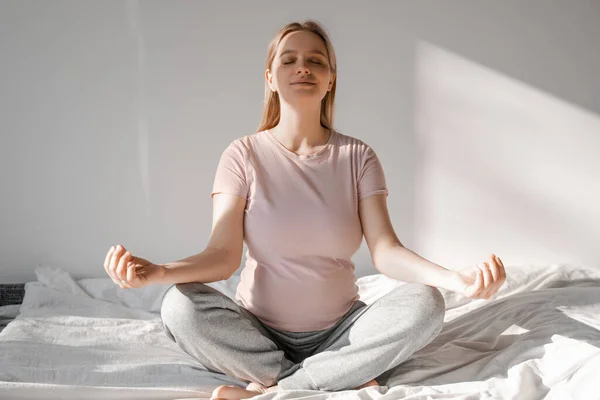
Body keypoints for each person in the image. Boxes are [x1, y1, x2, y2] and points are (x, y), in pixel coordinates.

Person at [103, 20, 507, 400]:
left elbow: (386, 251)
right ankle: (330, 378)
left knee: (427, 303)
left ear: (330, 79)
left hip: (343, 331)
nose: (303, 68)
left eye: (316, 60)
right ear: (270, 77)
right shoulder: (242, 155)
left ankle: (276, 388)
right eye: (289, 59)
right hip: (257, 334)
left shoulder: (358, 156)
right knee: (179, 305)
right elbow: (222, 257)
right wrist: (158, 272)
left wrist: (456, 280)